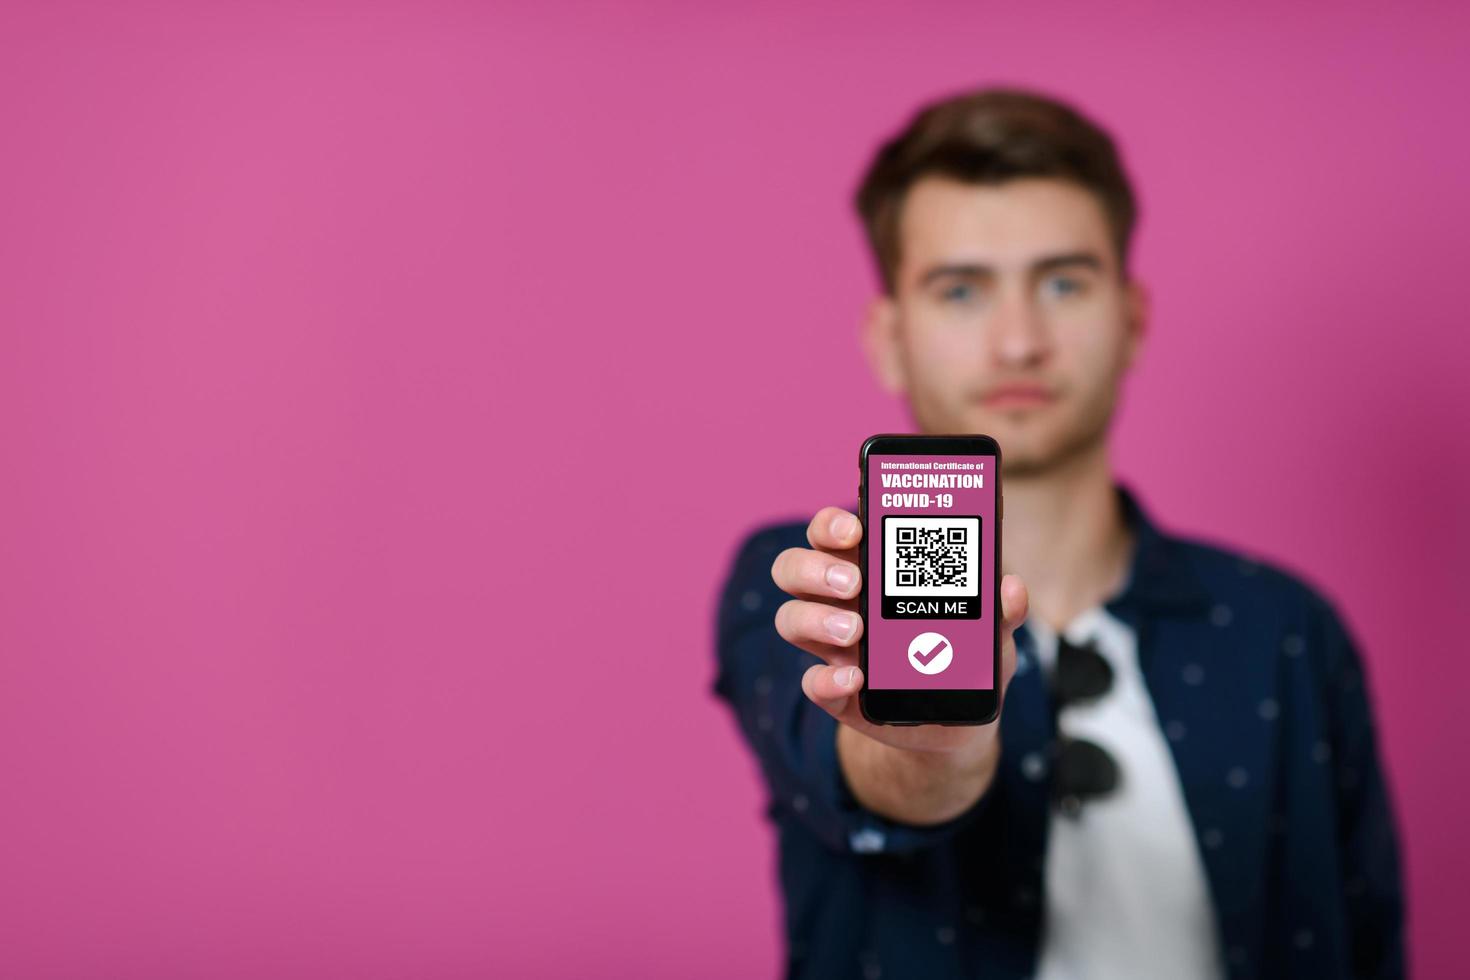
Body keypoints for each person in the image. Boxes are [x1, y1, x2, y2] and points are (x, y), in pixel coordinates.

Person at [712, 87, 1404, 979]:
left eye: (1064, 282)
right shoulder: (801, 580)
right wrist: (934, 745)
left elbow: (1366, 943)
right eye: (961, 290)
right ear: (890, 339)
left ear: (1132, 320)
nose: (1018, 341)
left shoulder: (1287, 631)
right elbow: (866, 774)